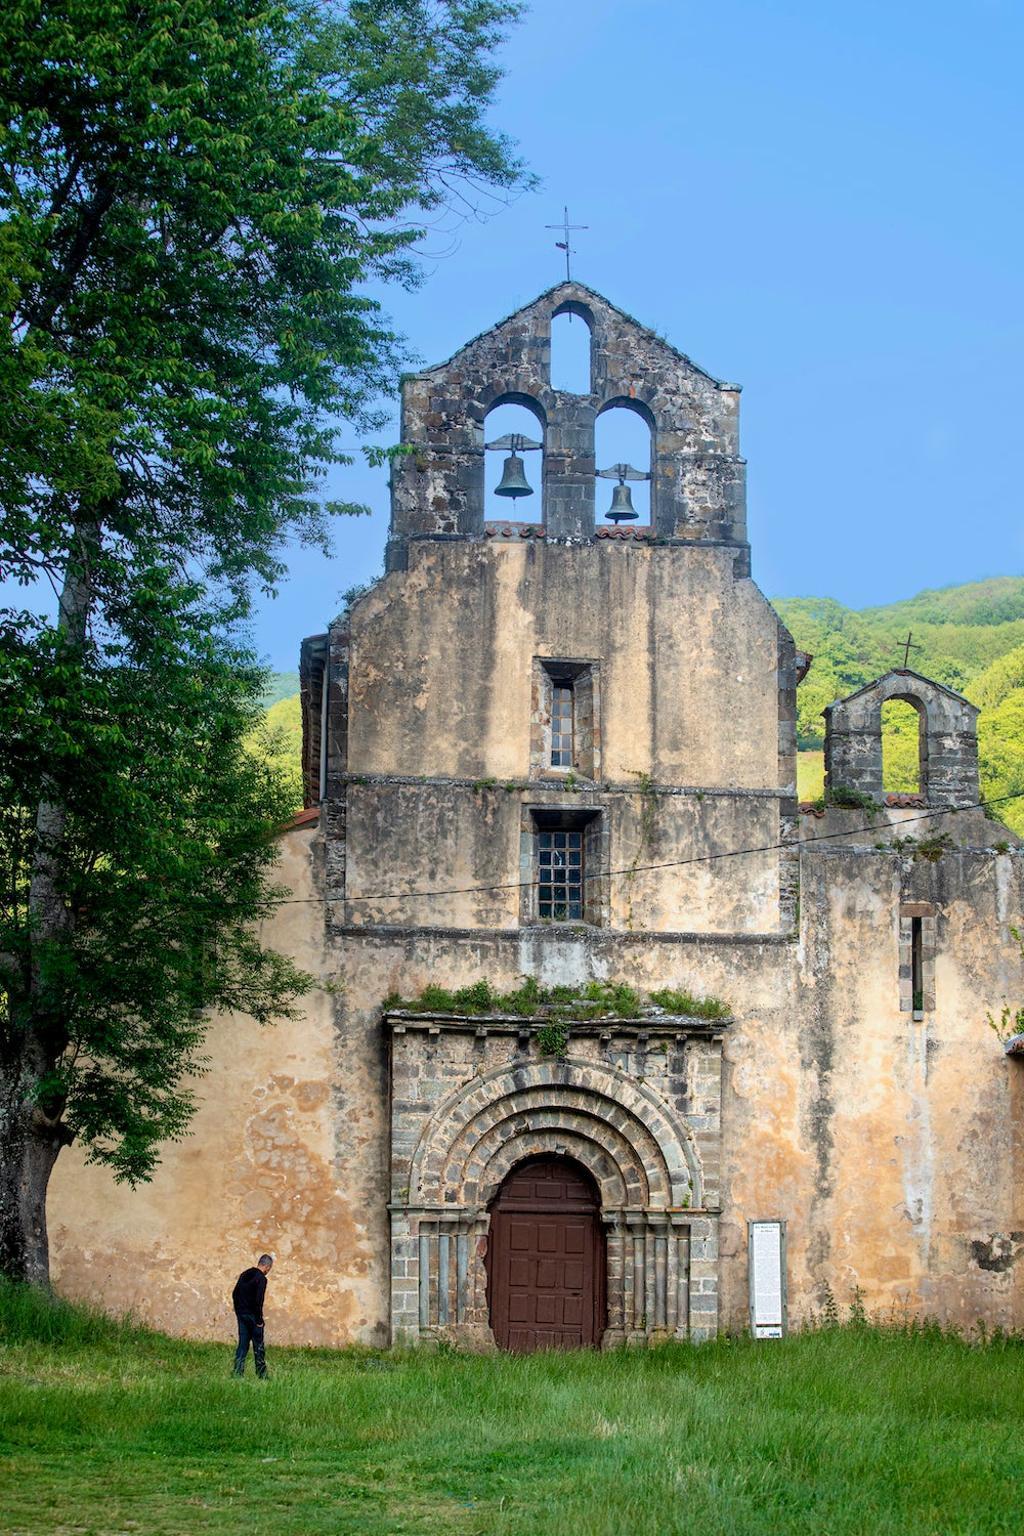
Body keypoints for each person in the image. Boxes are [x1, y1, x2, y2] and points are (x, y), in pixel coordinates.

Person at [232, 1254, 273, 1378]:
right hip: (253, 1317)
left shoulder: (245, 1274)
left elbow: (234, 1293)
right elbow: (258, 1301)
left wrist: (238, 1310)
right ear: (267, 1266)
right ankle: (262, 1375)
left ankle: (237, 1373)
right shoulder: (261, 1279)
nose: (268, 1271)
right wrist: (259, 1320)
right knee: (258, 1346)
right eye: (269, 1268)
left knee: (242, 1345)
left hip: (242, 1315)